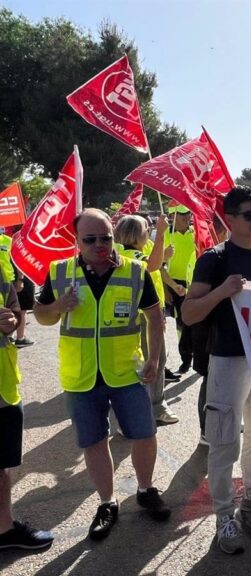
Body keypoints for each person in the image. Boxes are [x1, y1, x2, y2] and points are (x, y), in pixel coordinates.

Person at [34, 208, 169, 542]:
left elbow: (155, 316)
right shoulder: (60, 272)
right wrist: (57, 308)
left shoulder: (135, 272)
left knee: (144, 434)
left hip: (125, 372)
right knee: (94, 441)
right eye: (90, 239)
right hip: (81, 376)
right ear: (76, 241)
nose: (100, 244)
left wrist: (154, 357)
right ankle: (107, 504)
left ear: (114, 235)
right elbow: (41, 316)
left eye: (106, 237)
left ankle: (145, 489)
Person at [182, 186, 251, 555]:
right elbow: (189, 312)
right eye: (249, 215)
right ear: (229, 219)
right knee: (226, 441)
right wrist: (221, 292)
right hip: (227, 358)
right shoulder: (214, 258)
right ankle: (225, 514)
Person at [0, 275, 53, 551]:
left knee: (2, 465)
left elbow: (15, 311)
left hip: (4, 385)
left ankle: (4, 528)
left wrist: (11, 321)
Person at [114, 214, 179, 425]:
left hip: (149, 315)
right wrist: (160, 234)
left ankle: (142, 409)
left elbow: (156, 267)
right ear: (135, 235)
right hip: (143, 319)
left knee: (152, 362)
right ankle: (153, 407)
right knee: (154, 362)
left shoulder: (125, 251)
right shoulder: (131, 254)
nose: (149, 230)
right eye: (146, 228)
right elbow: (151, 266)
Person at [164, 204, 196, 374]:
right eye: (182, 215)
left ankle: (199, 355)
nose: (186, 218)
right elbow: (158, 265)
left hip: (196, 281)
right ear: (173, 216)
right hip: (175, 284)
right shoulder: (165, 234)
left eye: (188, 214)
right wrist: (168, 288)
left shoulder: (195, 232)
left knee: (198, 320)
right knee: (181, 323)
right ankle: (186, 358)